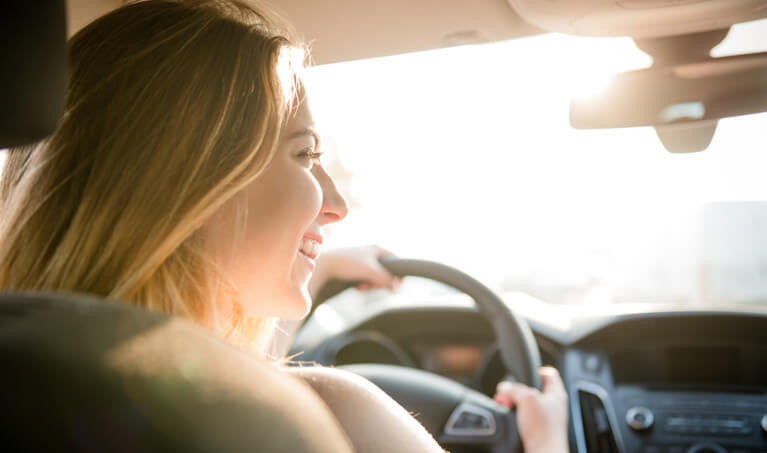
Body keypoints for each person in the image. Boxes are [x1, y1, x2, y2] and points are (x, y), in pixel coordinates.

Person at [0, 0, 568, 451]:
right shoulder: (332, 413)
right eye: (305, 154)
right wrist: (548, 445)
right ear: (192, 183)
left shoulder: (31, 384)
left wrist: (319, 274)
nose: (337, 204)